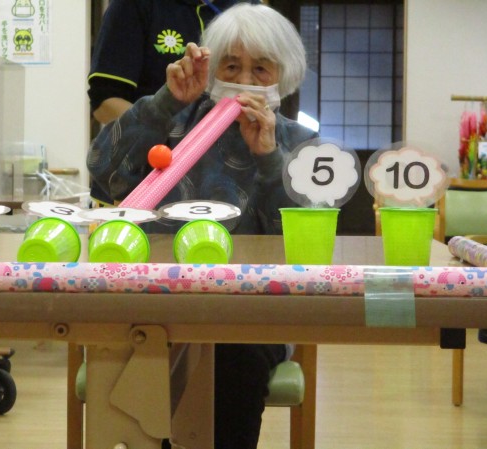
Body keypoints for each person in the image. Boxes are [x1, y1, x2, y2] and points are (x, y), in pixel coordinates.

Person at [87, 4, 316, 448]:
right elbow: (102, 172)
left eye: (260, 69)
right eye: (231, 66)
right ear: (212, 71)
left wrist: (269, 159)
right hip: (161, 303)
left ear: (283, 75)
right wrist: (164, 101)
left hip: (256, 313)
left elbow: (304, 242)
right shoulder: (174, 121)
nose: (245, 80)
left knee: (231, 355)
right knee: (139, 350)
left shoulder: (300, 143)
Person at [88, 0, 261, 125]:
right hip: (155, 157)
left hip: (237, 157)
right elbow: (105, 102)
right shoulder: (134, 5)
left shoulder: (250, 7)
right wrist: (169, 138)